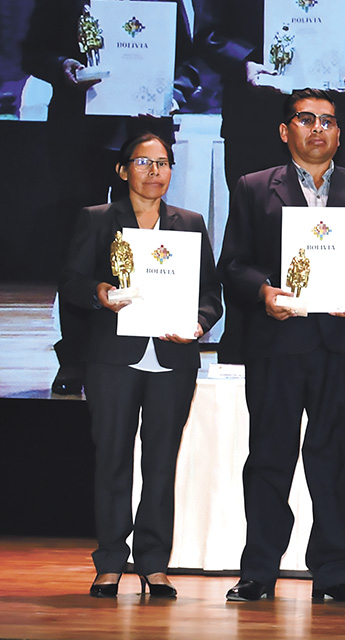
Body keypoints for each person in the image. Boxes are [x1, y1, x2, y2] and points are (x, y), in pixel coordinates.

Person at [217, 89, 345, 603]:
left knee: (338, 460)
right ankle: (258, 571)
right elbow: (233, 263)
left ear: (340, 133)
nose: (318, 128)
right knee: (269, 458)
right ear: (285, 130)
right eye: (306, 119)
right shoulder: (253, 188)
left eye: (328, 121)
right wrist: (263, 292)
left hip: (339, 342)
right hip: (277, 341)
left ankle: (336, 572)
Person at [60, 133, 223, 598]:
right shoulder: (97, 220)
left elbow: (210, 293)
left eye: (164, 163)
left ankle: (154, 562)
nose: (155, 172)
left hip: (173, 356)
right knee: (112, 459)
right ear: (122, 170)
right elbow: (71, 281)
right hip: (113, 357)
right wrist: (101, 295)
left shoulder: (188, 223)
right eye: (144, 162)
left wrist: (198, 323)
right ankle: (110, 559)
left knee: (160, 463)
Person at [23, 0, 199, 395]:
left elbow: (189, 61)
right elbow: (33, 51)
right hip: (77, 133)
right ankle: (74, 358)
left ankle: (135, 352)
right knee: (77, 246)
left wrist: (176, 91)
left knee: (145, 245)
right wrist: (61, 66)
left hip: (146, 130)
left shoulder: (162, 2)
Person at [194, 0, 345, 191]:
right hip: (253, 118)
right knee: (255, 216)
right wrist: (243, 63)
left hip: (332, 111)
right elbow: (209, 30)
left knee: (323, 218)